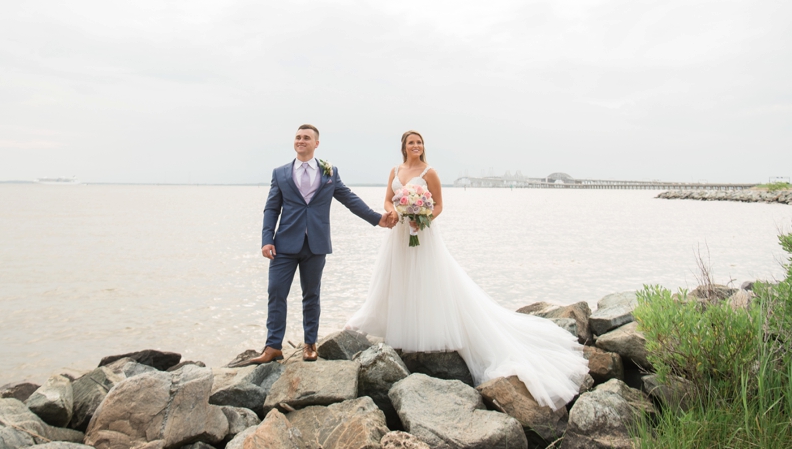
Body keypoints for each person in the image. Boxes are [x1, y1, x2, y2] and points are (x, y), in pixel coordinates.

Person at [346, 130, 589, 410]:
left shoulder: (430, 172)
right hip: (399, 233)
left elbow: (438, 206)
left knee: (427, 279)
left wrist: (420, 217)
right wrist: (396, 212)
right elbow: (388, 199)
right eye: (411, 142)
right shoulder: (395, 170)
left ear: (423, 147)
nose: (416, 146)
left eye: (420, 142)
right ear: (404, 146)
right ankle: (396, 323)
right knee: (398, 278)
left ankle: (426, 329)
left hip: (422, 234)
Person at [247, 124, 391, 365]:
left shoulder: (329, 172)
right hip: (283, 245)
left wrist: (377, 219)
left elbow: (349, 198)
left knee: (311, 295)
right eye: (298, 137)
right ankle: (273, 346)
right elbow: (272, 208)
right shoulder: (280, 173)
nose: (301, 141)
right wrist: (266, 239)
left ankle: (310, 344)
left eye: (306, 138)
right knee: (276, 292)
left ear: (316, 143)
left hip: (315, 244)